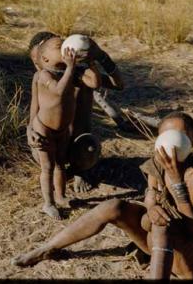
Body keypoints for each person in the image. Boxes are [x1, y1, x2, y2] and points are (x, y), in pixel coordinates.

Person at [12, 112, 193, 279]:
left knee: (163, 227)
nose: (172, 142)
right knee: (113, 207)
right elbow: (150, 199)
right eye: (166, 135)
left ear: (192, 142)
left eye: (181, 136)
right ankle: (47, 248)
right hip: (160, 248)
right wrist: (151, 208)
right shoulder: (156, 163)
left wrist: (176, 183)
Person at [27, 32, 124, 193]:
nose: (38, 64)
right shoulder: (42, 78)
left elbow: (118, 84)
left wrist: (100, 56)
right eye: (35, 61)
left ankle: (80, 170)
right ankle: (57, 182)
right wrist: (29, 130)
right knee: (43, 154)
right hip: (50, 137)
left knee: (88, 150)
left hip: (78, 142)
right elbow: (34, 108)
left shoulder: (80, 74)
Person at [30, 36, 101, 219]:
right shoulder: (43, 75)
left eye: (65, 44)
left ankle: (61, 197)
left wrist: (89, 62)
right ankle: (48, 203)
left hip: (62, 130)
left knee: (60, 165)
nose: (65, 48)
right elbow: (57, 92)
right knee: (48, 167)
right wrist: (30, 129)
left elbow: (95, 83)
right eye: (58, 47)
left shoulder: (71, 72)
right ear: (44, 59)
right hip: (43, 129)